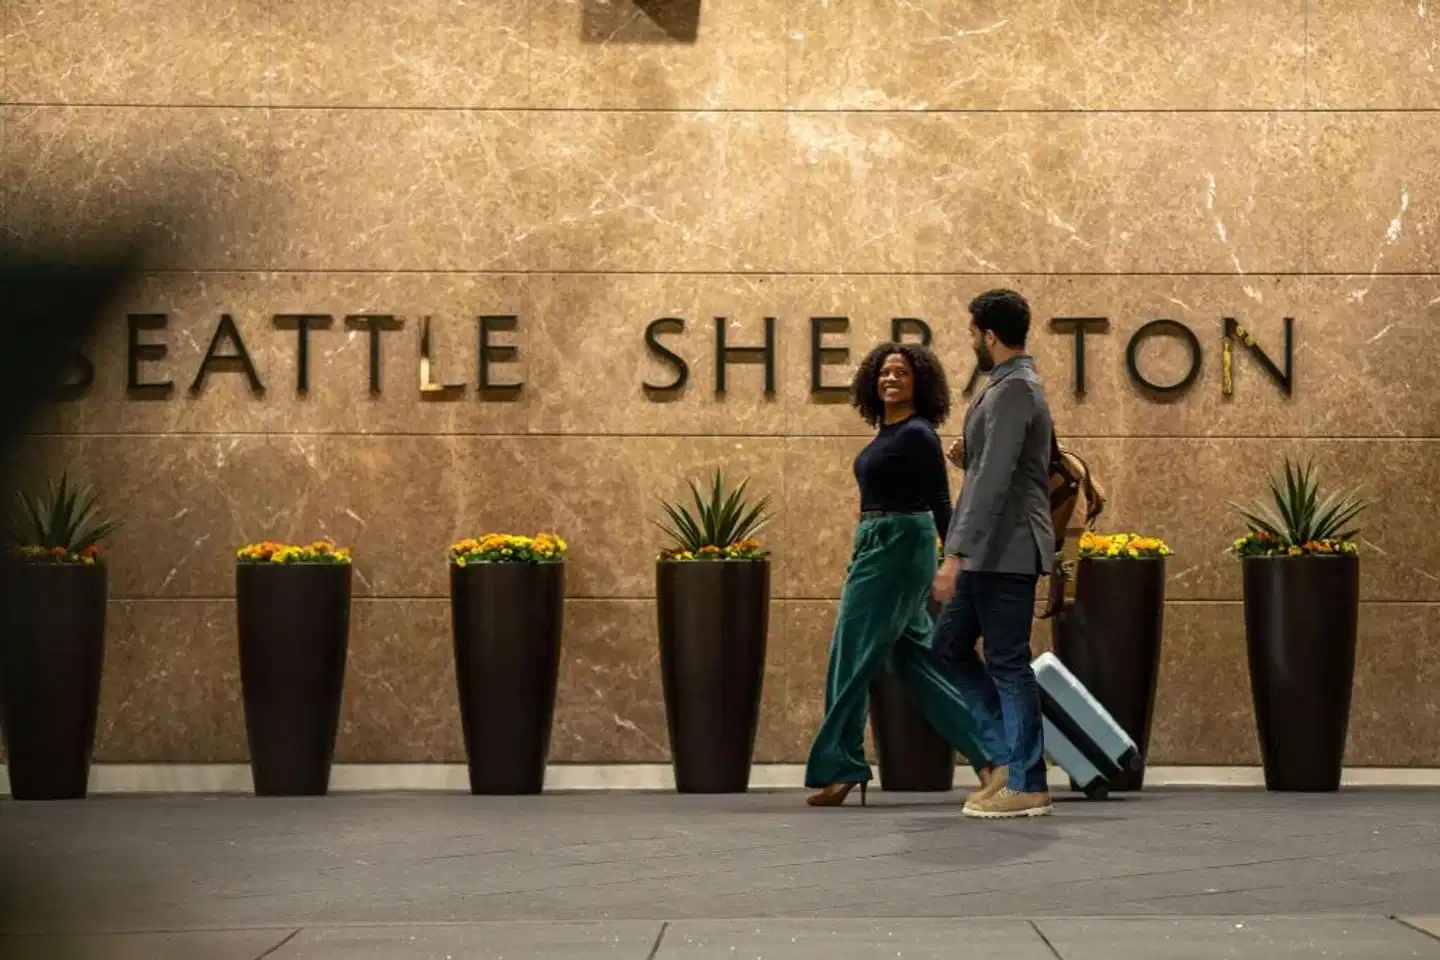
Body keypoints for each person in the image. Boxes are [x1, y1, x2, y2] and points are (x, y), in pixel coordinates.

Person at [805, 342, 1004, 808]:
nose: (891, 379)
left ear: (920, 385)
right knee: (914, 664)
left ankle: (840, 765)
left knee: (850, 655)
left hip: (899, 545)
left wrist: (952, 560)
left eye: (902, 374)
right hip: (878, 543)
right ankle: (992, 759)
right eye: (885, 373)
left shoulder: (918, 435)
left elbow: (940, 501)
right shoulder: (885, 433)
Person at [932, 288, 1057, 820]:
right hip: (993, 548)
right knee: (948, 647)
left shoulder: (1015, 389)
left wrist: (954, 554)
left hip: (1006, 550)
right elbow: (999, 466)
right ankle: (1008, 762)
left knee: (1008, 662)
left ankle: (1028, 781)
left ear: (988, 334)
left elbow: (995, 479)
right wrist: (972, 454)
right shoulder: (1006, 387)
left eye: (971, 333)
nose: (970, 343)